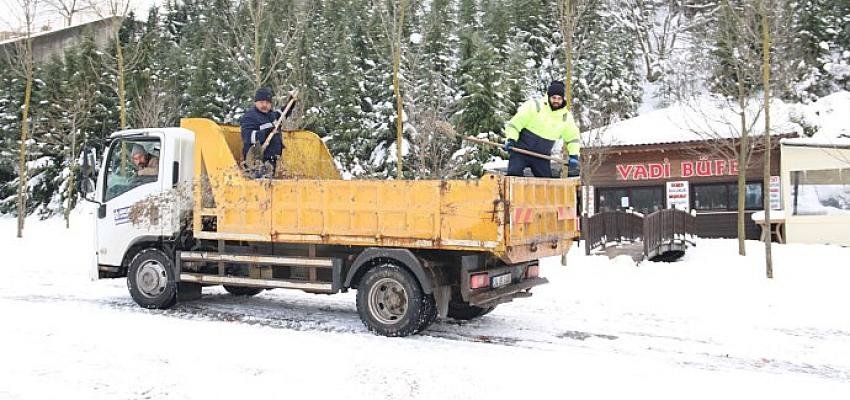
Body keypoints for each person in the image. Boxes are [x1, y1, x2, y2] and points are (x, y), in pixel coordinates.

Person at [503, 80, 580, 178]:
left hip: (542, 156)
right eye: (554, 97)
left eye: (559, 98)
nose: (556, 100)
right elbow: (515, 124)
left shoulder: (565, 117)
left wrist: (574, 156)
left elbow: (573, 138)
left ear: (563, 99)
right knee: (513, 176)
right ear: (548, 97)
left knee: (546, 183)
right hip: (521, 151)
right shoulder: (535, 106)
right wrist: (511, 139)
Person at [239, 87, 296, 175]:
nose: (265, 105)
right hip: (256, 160)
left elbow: (282, 114)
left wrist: (290, 104)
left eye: (267, 103)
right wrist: (265, 133)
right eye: (261, 102)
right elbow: (247, 137)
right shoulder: (250, 117)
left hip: (271, 159)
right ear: (255, 103)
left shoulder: (270, 115)